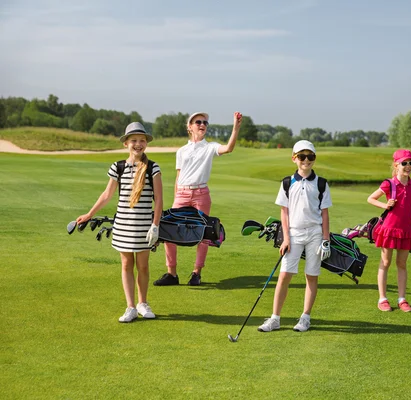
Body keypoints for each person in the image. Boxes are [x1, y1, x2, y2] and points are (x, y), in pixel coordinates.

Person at [76, 122, 163, 323]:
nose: (138, 144)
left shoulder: (153, 167)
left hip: (144, 227)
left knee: (143, 266)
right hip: (123, 224)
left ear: (146, 144)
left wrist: (155, 225)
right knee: (126, 264)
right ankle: (130, 307)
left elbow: (158, 199)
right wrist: (89, 214)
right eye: (134, 140)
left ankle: (143, 303)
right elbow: (107, 195)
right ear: (126, 143)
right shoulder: (118, 167)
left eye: (142, 140)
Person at [153, 111, 242, 286]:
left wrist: (235, 128)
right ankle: (172, 273)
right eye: (198, 122)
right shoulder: (181, 151)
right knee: (169, 229)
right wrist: (177, 194)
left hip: (201, 194)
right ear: (189, 127)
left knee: (203, 233)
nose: (202, 125)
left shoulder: (210, 147)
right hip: (182, 194)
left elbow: (228, 148)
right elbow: (179, 176)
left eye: (205, 123)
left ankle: (196, 272)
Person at [258, 140, 332, 333]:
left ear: (314, 159)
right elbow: (284, 212)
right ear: (294, 159)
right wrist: (286, 238)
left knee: (311, 276)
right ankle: (275, 318)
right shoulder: (286, 183)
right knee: (284, 276)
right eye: (302, 156)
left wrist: (326, 239)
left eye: (310, 156)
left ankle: (305, 317)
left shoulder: (321, 183)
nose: (306, 160)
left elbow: (324, 213)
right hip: (294, 234)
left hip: (315, 233)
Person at [367, 149, 411, 313]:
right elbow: (370, 198)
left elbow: (406, 208)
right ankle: (382, 299)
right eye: (404, 163)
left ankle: (402, 299)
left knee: (402, 264)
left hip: (405, 230)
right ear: (396, 165)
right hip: (389, 230)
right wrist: (385, 205)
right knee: (385, 263)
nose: (408, 166)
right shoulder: (389, 184)